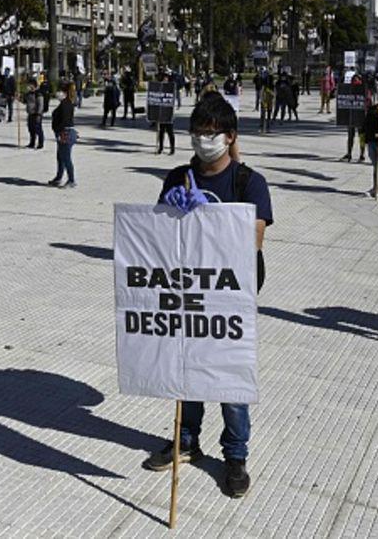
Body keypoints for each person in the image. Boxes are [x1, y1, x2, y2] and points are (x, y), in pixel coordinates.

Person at [143, 92, 273, 499]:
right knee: (187, 370)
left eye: (212, 134)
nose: (204, 140)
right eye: (198, 133)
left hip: (230, 297)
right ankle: (186, 440)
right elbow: (158, 237)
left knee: (229, 381)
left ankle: (235, 457)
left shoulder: (249, 182)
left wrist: (210, 219)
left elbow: (253, 238)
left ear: (230, 137)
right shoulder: (178, 178)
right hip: (187, 293)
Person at [49, 82, 77, 188]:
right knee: (60, 156)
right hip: (63, 132)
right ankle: (58, 177)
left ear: (64, 92)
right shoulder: (65, 102)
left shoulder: (66, 104)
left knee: (66, 157)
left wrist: (58, 129)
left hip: (65, 132)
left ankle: (71, 180)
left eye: (59, 91)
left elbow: (65, 120)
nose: (57, 93)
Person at [25, 81, 45, 149]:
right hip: (30, 113)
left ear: (33, 85)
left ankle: (40, 143)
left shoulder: (38, 94)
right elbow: (26, 101)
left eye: (29, 85)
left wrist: (39, 114)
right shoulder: (28, 94)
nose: (28, 87)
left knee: (38, 129)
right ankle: (32, 142)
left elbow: (40, 104)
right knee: (31, 129)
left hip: (36, 114)